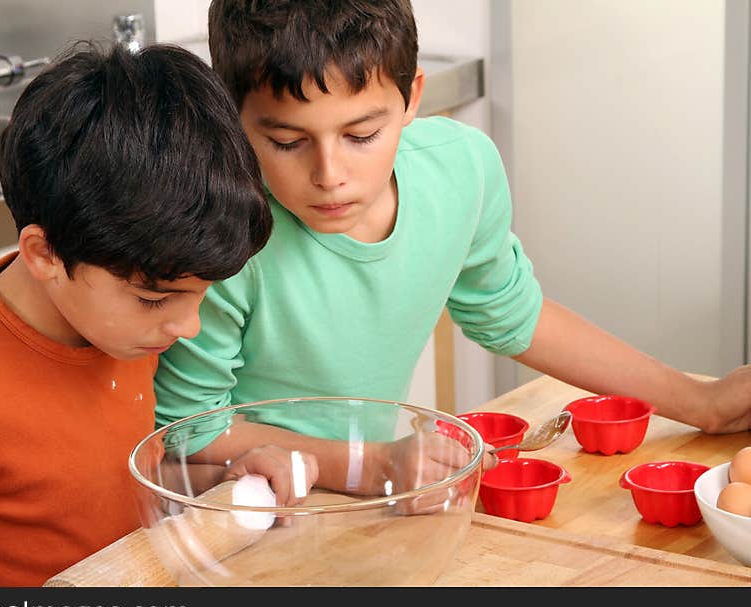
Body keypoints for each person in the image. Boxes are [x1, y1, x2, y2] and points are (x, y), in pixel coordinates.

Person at [153, 0, 751, 497]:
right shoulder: (222, 227)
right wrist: (371, 464)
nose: (330, 174)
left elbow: (517, 316)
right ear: (233, 115)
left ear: (413, 97)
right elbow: (187, 435)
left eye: (362, 135)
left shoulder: (460, 169)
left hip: (370, 505)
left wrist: (703, 403)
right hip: (240, 517)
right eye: (287, 141)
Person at [0, 40, 318, 587]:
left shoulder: (121, 332)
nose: (187, 327)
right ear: (46, 256)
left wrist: (220, 480)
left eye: (199, 294)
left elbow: (92, 491)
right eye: (156, 298)